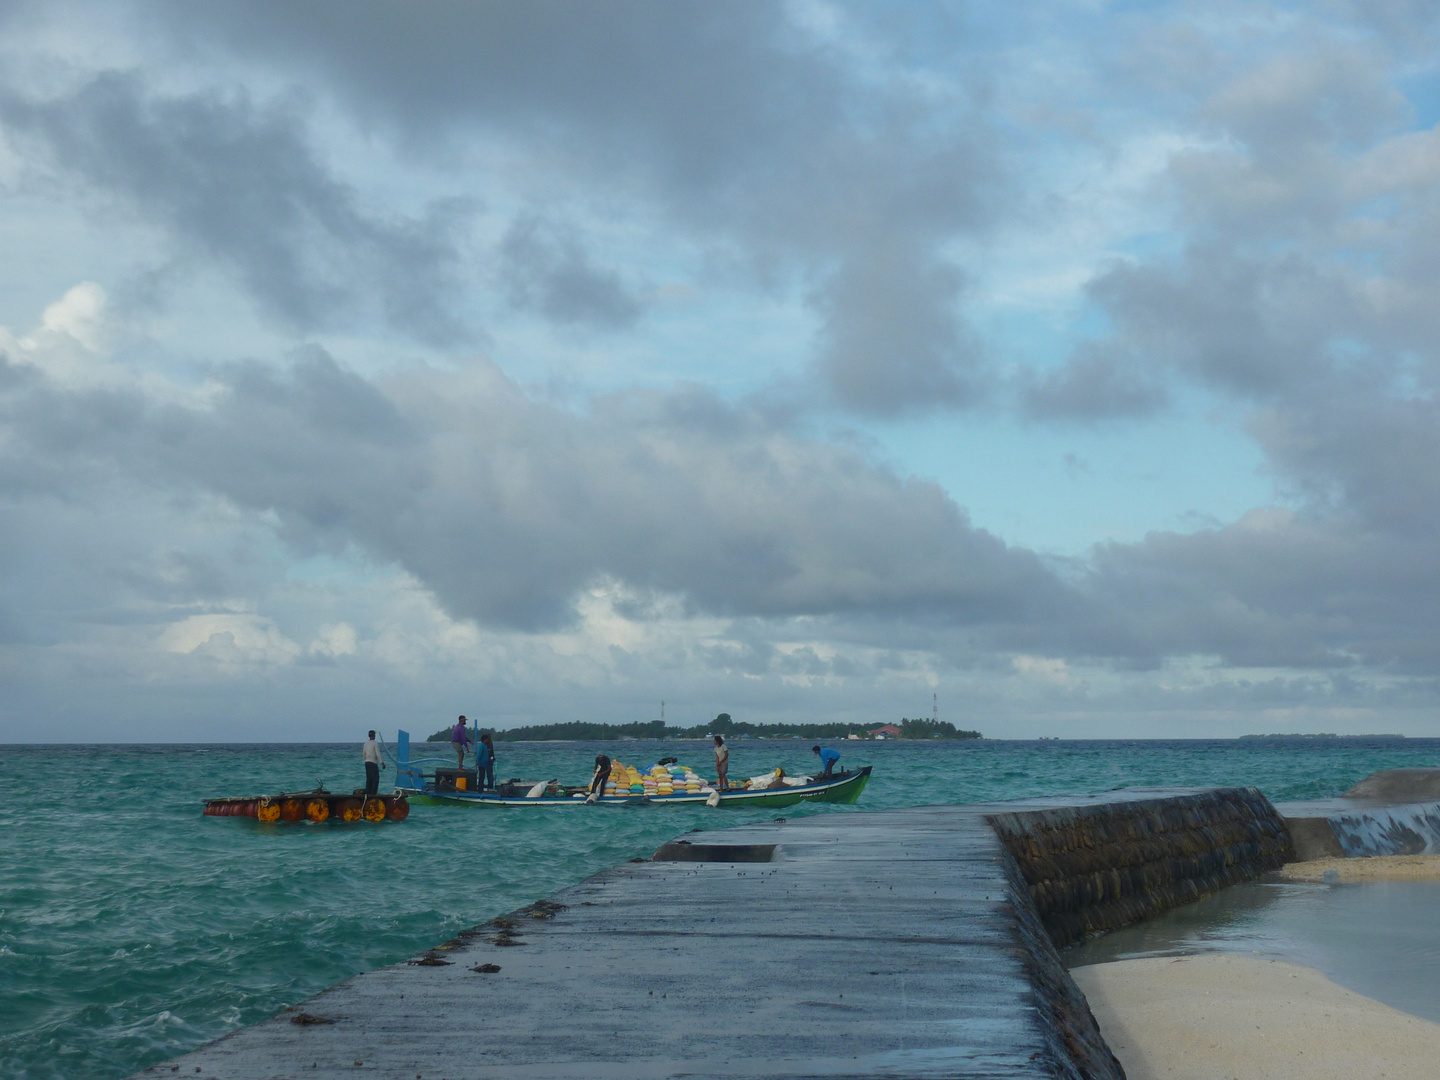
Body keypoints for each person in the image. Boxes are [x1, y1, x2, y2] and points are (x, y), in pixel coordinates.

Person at [363, 730, 385, 795]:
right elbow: (378, 754)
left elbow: (364, 753)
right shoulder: (375, 743)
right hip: (373, 762)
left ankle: (368, 792)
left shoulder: (366, 743)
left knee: (369, 778)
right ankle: (373, 793)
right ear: (374, 736)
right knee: (375, 779)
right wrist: (382, 763)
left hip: (367, 762)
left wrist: (365, 760)